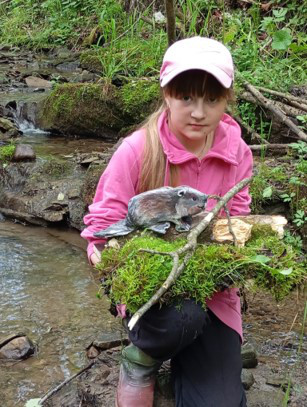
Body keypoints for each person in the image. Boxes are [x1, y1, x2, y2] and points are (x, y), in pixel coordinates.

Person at [81, 36, 253, 407]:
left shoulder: (237, 152)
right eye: (186, 97)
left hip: (215, 294)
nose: (198, 111)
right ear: (166, 94)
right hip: (153, 292)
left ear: (228, 99)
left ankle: (198, 360)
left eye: (212, 99)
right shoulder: (137, 150)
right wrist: (107, 261)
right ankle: (141, 359)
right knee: (181, 319)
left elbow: (236, 217)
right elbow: (102, 224)